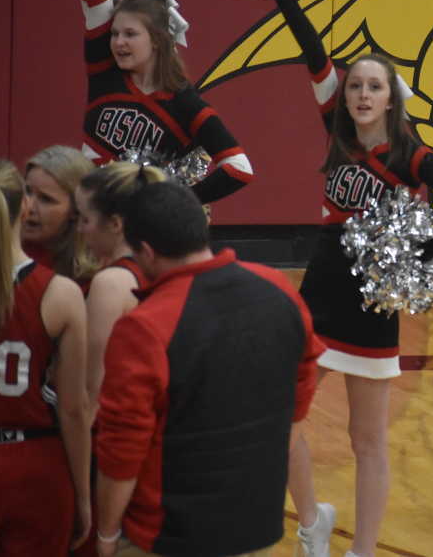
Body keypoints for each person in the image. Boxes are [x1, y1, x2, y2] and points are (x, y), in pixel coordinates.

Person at [271, 0, 433, 557]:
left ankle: (363, 549)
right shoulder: (337, 133)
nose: (363, 95)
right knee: (283, 419)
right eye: (356, 87)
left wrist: (416, 258)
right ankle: (312, 520)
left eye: (374, 87)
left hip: (370, 308)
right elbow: (314, 55)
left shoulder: (412, 155)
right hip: (320, 294)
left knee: (366, 440)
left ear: (392, 98)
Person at [94, 181, 318, 556]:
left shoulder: (144, 326)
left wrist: (105, 533)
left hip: (167, 536)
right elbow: (300, 399)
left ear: (146, 251)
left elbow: (122, 452)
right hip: (255, 528)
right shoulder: (279, 288)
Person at [0, 159, 91, 556]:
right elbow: (73, 410)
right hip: (37, 468)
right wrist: (84, 497)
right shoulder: (61, 293)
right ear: (24, 208)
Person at [65, 0, 252, 203]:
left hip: (138, 223)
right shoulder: (104, 68)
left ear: (155, 38)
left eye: (130, 34)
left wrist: (176, 202)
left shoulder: (184, 101)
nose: (118, 41)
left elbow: (240, 169)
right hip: (88, 211)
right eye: (115, 33)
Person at [74, 162, 166, 415]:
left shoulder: (112, 283)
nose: (79, 229)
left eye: (85, 219)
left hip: (114, 424)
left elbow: (93, 391)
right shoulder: (154, 267)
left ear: (115, 224)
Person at [23, 145, 97, 283]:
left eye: (45, 199)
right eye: (27, 191)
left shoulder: (92, 279)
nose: (29, 206)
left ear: (76, 210)